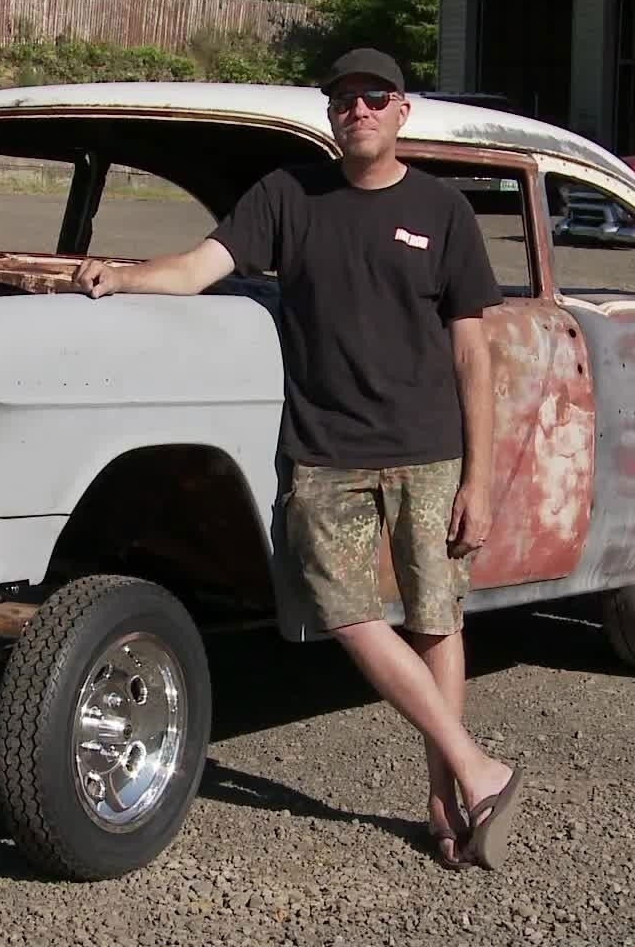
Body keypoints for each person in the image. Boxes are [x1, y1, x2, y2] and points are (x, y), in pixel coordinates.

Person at [73, 47, 525, 871]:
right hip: (325, 451)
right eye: (344, 99)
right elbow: (201, 268)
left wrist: (481, 478)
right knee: (344, 613)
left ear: (402, 112)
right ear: (330, 116)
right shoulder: (288, 197)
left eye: (374, 97)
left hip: (428, 451)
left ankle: (444, 802)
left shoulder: (442, 210)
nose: (358, 110)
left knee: (435, 620)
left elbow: (475, 354)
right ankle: (475, 764)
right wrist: (125, 276)